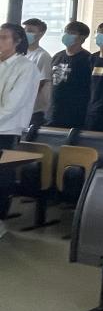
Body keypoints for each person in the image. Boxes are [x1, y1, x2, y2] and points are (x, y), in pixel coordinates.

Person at [0, 23, 39, 237]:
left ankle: (0, 220)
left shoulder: (25, 67)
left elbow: (13, 105)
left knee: (2, 177)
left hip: (6, 130)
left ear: (17, 41)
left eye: (4, 37)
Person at [49, 21, 92, 128]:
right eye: (66, 32)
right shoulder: (57, 56)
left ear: (82, 37)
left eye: (72, 33)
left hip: (75, 113)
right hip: (53, 111)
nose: (67, 35)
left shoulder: (87, 59)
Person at [22, 18, 52, 125]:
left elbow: (40, 83)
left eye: (30, 31)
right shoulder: (19, 54)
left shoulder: (42, 56)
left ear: (41, 34)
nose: (26, 34)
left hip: (33, 111)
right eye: (24, 30)